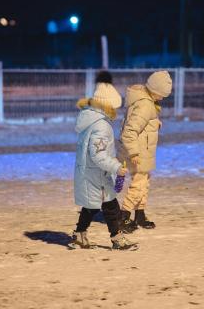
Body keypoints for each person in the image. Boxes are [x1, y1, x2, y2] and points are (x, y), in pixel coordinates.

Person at [72, 82, 137, 250]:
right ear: (106, 105)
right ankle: (117, 239)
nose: (115, 111)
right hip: (98, 175)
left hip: (90, 173)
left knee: (90, 207)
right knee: (111, 207)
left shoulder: (90, 120)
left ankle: (79, 234)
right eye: (114, 107)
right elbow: (98, 155)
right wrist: (116, 166)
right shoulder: (101, 125)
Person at [118, 71, 173, 232]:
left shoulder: (146, 102)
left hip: (144, 150)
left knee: (144, 183)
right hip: (138, 153)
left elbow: (142, 123)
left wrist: (155, 123)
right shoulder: (145, 105)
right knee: (138, 185)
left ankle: (140, 214)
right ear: (154, 90)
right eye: (161, 95)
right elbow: (129, 131)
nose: (162, 98)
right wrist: (134, 153)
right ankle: (123, 217)